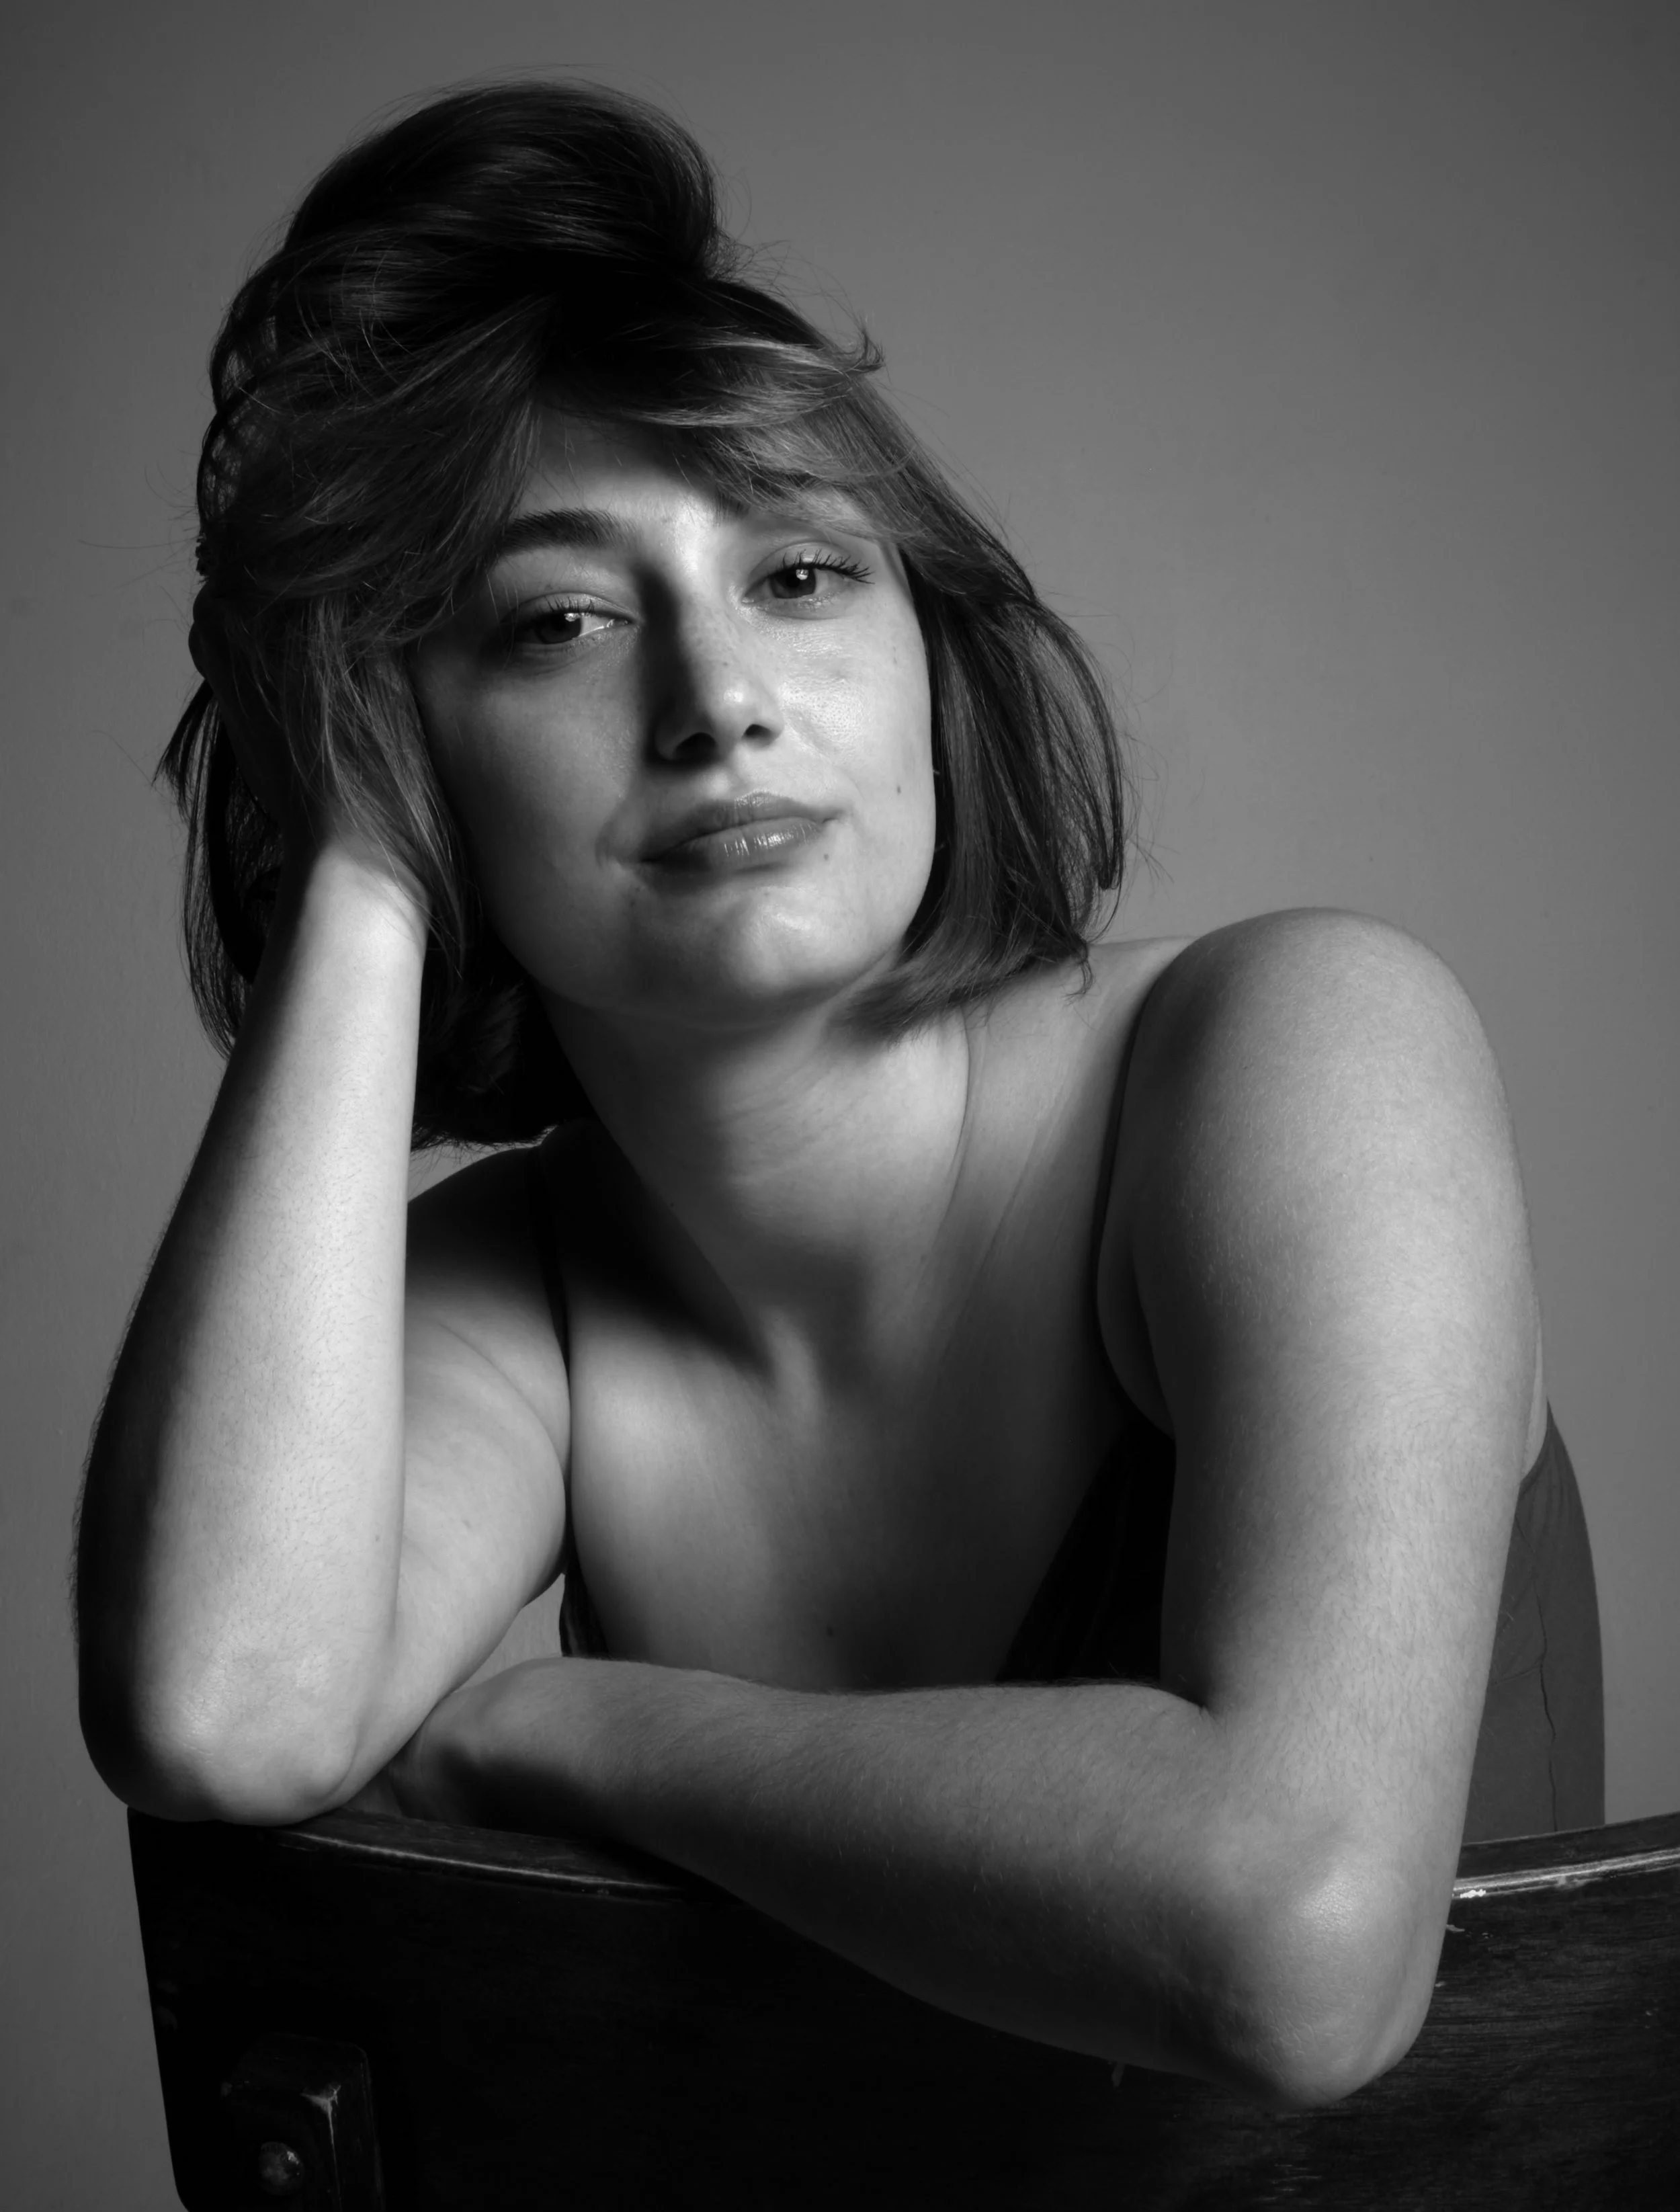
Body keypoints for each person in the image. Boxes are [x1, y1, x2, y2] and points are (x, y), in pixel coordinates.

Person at [74, 80, 1602, 2110]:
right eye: (559, 621)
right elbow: (219, 1714)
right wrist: (359, 860)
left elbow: (1294, 1945)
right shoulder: (512, 1299)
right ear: (412, 740)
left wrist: (575, 1727)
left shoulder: (1294, 1045)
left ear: (928, 662)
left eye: (799, 578)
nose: (718, 704)